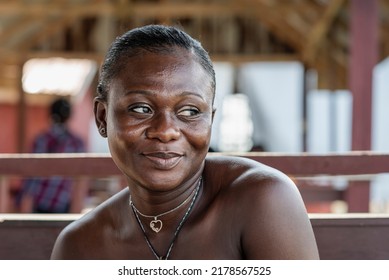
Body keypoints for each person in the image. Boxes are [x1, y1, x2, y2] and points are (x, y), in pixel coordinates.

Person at [51, 25, 319, 259]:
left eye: (190, 111)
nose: (166, 131)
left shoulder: (263, 199)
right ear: (102, 118)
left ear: (210, 121)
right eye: (141, 109)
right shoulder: (79, 247)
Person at [19, 98, 87, 213]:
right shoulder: (76, 143)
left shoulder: (41, 140)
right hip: (62, 204)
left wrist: (25, 206)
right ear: (69, 116)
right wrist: (76, 210)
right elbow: (80, 182)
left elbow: (31, 179)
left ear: (50, 114)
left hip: (40, 203)